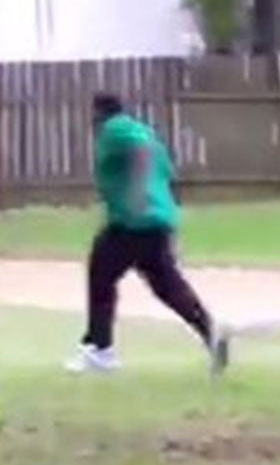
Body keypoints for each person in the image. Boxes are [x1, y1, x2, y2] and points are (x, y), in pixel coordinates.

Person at [68, 94, 230, 377]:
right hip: (157, 221)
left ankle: (101, 350)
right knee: (167, 286)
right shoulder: (148, 132)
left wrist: (136, 193)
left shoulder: (115, 128)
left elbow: (140, 152)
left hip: (134, 220)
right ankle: (210, 333)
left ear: (97, 113)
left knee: (101, 273)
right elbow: (166, 174)